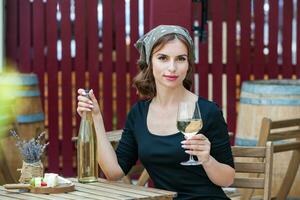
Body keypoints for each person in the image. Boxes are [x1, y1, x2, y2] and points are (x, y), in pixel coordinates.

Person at [77, 25, 235, 199]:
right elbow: (114, 172)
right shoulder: (139, 114)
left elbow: (227, 179)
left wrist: (207, 159)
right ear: (150, 62)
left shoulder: (208, 111)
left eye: (180, 59)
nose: (172, 67)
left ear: (188, 64)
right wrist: (96, 119)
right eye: (163, 58)